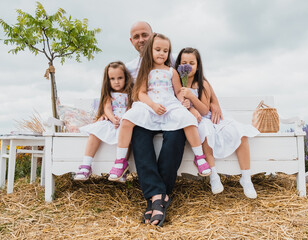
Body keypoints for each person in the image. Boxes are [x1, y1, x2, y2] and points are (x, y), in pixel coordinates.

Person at [120, 33, 211, 226]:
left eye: (145, 34)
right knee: (139, 135)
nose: (141, 39)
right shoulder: (130, 67)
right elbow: (116, 86)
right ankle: (160, 196)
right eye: (137, 36)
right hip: (147, 109)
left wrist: (194, 104)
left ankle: (155, 198)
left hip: (169, 109)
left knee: (176, 134)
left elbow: (190, 87)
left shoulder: (172, 65)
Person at [175, 47, 260, 198]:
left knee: (240, 134)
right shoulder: (177, 84)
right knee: (206, 133)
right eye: (184, 63)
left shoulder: (202, 84)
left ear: (198, 65)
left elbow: (203, 110)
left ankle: (246, 179)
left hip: (208, 116)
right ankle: (214, 176)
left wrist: (192, 98)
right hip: (197, 123)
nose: (188, 66)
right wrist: (188, 109)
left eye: (192, 63)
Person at [74, 61, 134, 181]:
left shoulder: (130, 93)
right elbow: (107, 108)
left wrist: (124, 118)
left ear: (126, 78)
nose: (116, 82)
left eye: (120, 78)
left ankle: (121, 168)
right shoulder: (109, 94)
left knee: (126, 136)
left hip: (125, 121)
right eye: (112, 78)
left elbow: (131, 107)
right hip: (112, 120)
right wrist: (112, 118)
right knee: (96, 131)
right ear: (108, 80)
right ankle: (86, 165)